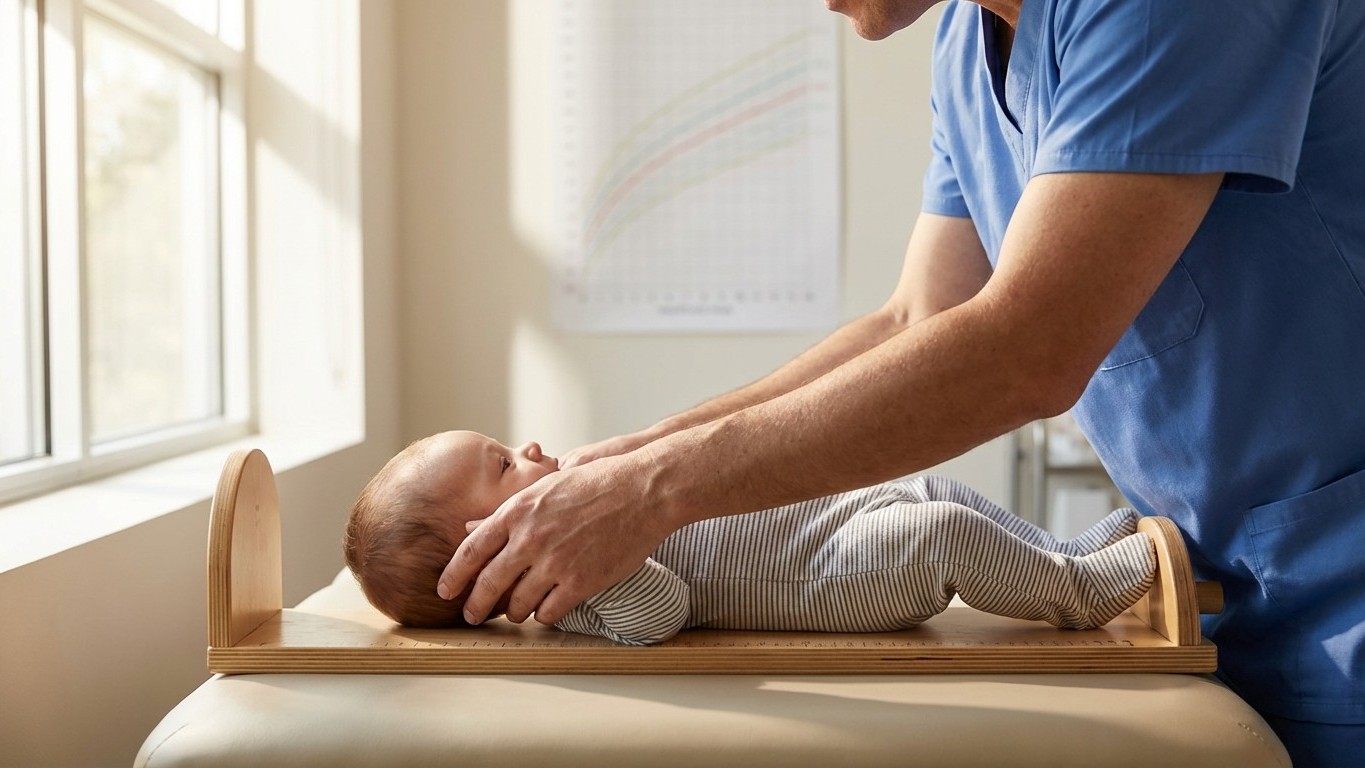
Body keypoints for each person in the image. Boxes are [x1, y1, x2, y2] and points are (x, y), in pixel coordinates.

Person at [437, 1, 1365, 762]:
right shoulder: (968, 46)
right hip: (1224, 587)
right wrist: (635, 458)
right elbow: (916, 319)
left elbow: (1026, 349)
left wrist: (648, 488)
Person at [346, 431, 1156, 645]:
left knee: (934, 491)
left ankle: (1056, 558)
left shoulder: (578, 508)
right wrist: (605, 569)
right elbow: (661, 613)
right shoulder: (568, 592)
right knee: (940, 533)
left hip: (825, 520)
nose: (526, 447)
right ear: (487, 545)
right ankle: (1077, 597)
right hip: (826, 577)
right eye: (501, 462)